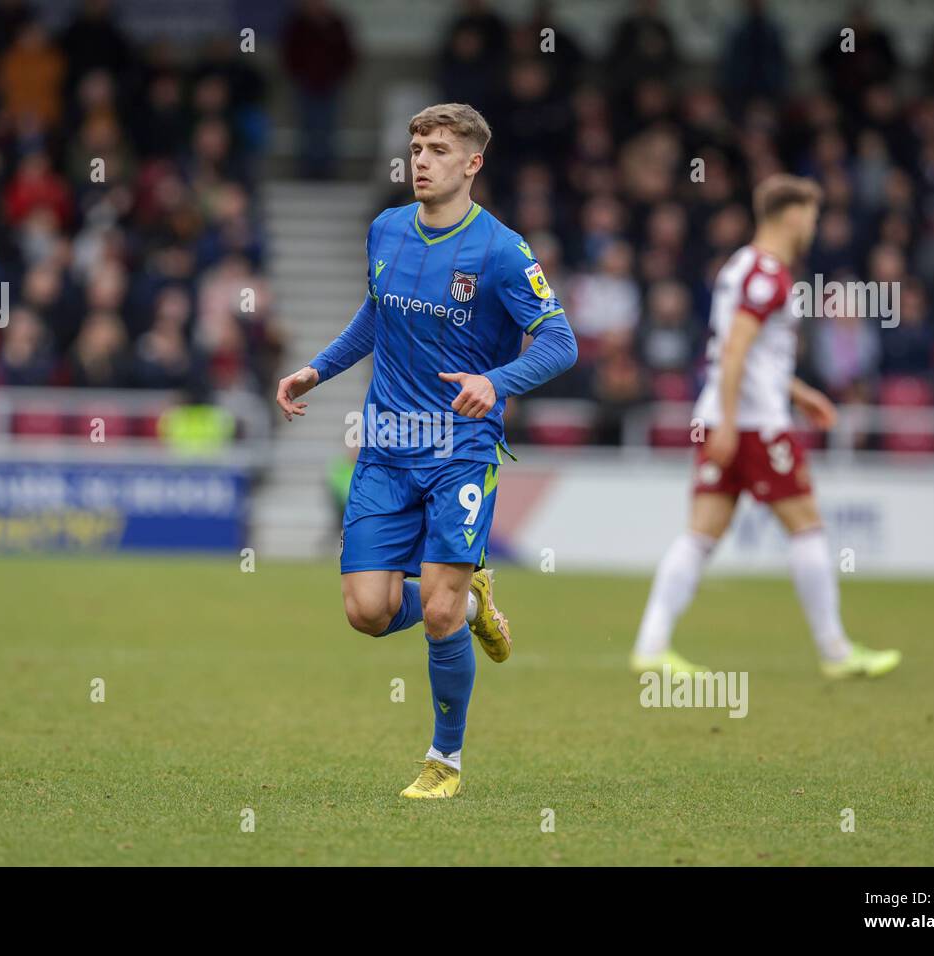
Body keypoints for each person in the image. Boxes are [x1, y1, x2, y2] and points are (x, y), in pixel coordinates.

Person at [275, 103, 578, 797]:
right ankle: (474, 605)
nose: (420, 160)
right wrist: (316, 369)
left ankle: (445, 761)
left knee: (434, 611)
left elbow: (561, 342)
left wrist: (494, 382)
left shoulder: (501, 250)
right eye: (416, 146)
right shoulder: (384, 229)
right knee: (367, 611)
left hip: (461, 450)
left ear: (472, 163)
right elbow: (374, 315)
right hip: (384, 448)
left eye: (438, 149)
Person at [631, 174, 901, 679]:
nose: (814, 226)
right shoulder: (768, 274)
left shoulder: (741, 265)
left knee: (700, 534)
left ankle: (650, 646)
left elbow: (747, 354)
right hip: (753, 423)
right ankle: (836, 652)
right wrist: (734, 423)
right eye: (813, 216)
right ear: (794, 215)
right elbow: (734, 351)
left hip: (725, 415)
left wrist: (799, 393)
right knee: (809, 527)